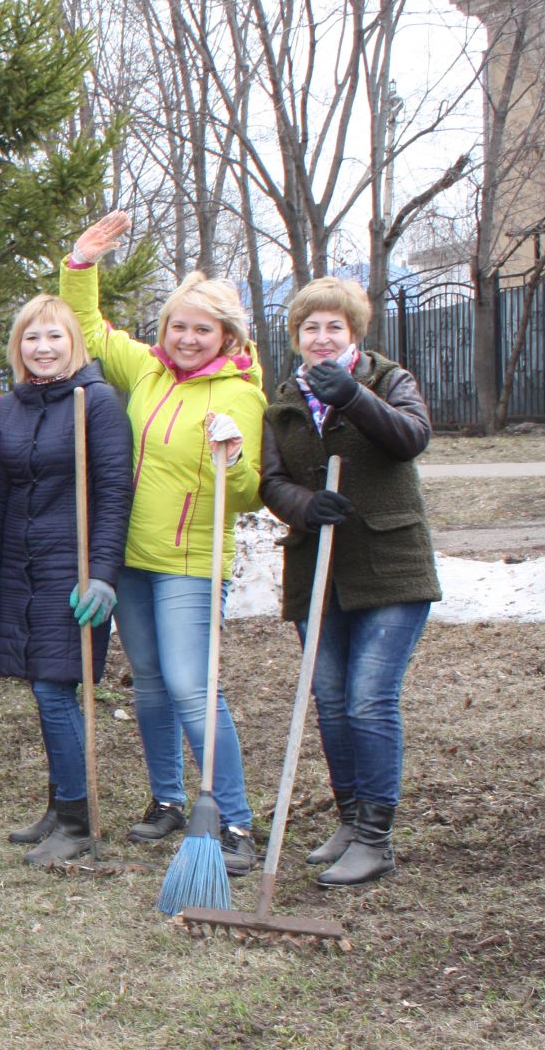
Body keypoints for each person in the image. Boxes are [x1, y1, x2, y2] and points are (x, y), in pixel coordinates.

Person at [62, 211, 267, 874]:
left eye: (201, 329)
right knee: (148, 685)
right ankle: (167, 799)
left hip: (189, 566)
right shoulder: (146, 372)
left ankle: (233, 819)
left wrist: (232, 457)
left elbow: (249, 493)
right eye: (178, 326)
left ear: (225, 336)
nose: (185, 337)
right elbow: (89, 332)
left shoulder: (241, 394)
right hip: (133, 560)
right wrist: (81, 265)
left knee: (190, 687)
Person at [260, 277, 439, 887]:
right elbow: (271, 478)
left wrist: (356, 398)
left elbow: (410, 438)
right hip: (320, 571)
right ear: (297, 337)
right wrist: (304, 507)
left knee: (368, 698)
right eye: (311, 327)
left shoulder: (390, 381)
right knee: (332, 701)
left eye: (335, 326)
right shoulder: (284, 399)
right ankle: (349, 816)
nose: (322, 337)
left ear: (354, 333)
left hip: (391, 567)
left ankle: (376, 839)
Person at [0, 296, 134, 864]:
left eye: (55, 337)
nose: (43, 348)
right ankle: (61, 801)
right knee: (43, 688)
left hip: (76, 569)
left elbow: (114, 493)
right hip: (20, 567)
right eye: (32, 338)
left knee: (55, 688)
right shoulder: (9, 408)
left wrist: (104, 575)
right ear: (19, 347)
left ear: (75, 343)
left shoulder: (100, 402)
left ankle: (78, 820)